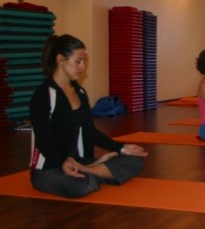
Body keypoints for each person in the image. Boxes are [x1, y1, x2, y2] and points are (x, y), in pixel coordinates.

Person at [29, 34, 148, 198]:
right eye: (77, 61)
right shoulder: (43, 94)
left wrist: (121, 147)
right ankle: (96, 172)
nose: (82, 67)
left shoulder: (80, 92)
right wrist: (63, 163)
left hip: (81, 162)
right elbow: (43, 139)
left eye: (84, 62)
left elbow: (90, 131)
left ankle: (90, 170)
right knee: (78, 186)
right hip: (51, 168)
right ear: (60, 59)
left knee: (134, 160)